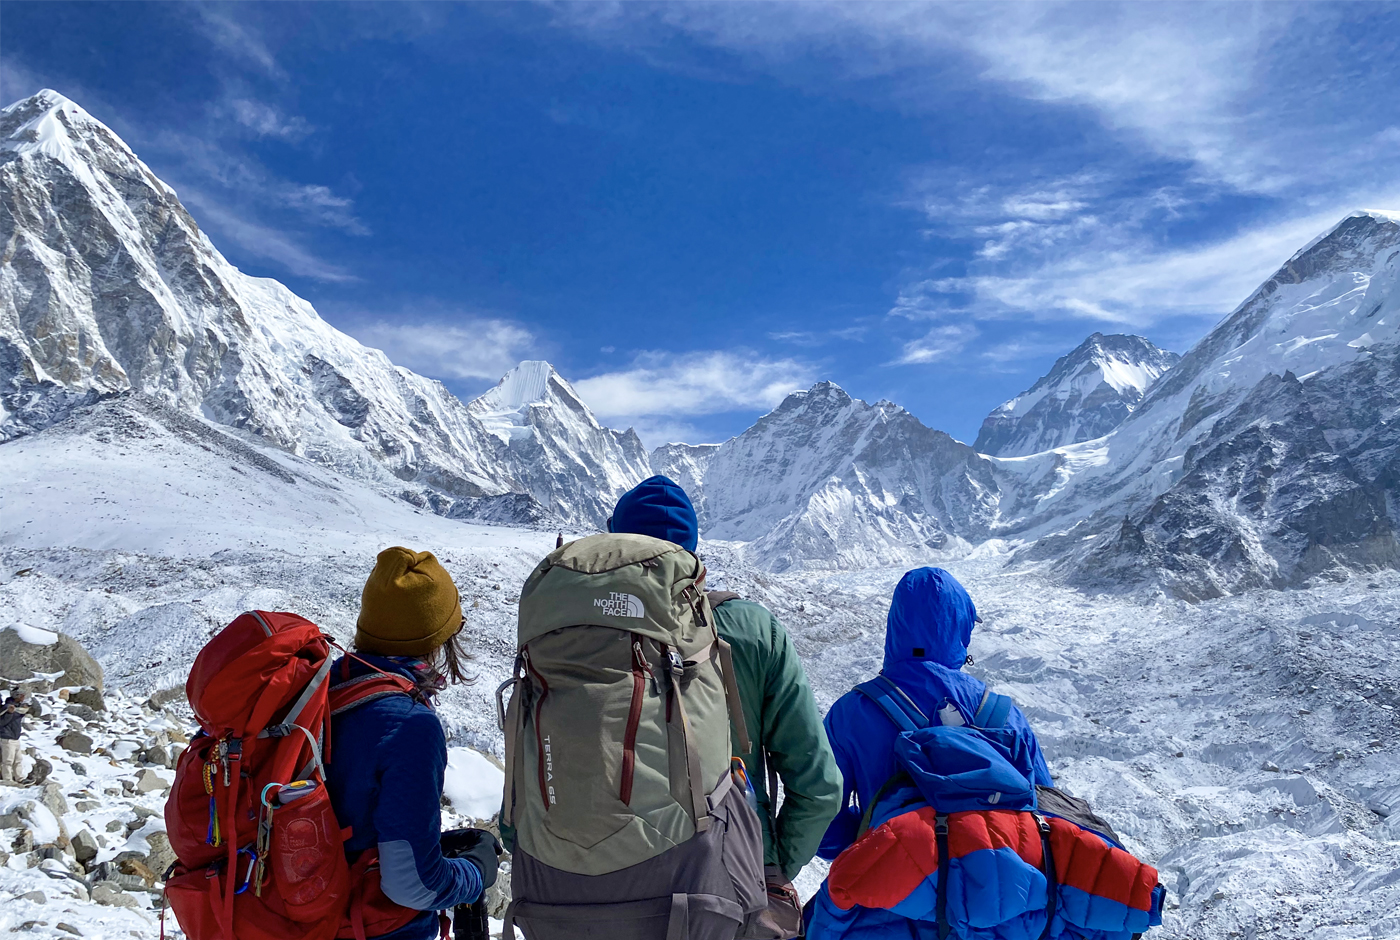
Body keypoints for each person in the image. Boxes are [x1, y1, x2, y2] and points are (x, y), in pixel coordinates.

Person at [608, 475, 843, 935]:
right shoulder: (751, 631)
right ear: (693, 553)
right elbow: (819, 788)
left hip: (589, 894)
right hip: (728, 889)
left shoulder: (568, 636)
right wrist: (769, 868)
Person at [817, 566, 1052, 861]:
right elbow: (1047, 814)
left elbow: (823, 821)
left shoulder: (850, 713)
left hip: (894, 894)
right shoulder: (1006, 715)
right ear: (961, 629)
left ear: (896, 625)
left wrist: (874, 839)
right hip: (1004, 896)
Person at [327, 546, 500, 940]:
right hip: (369, 927)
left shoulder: (325, 690)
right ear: (438, 637)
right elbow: (413, 886)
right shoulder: (409, 726)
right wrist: (475, 871)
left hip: (303, 916)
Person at [0, 691, 27, 784]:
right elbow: (1, 722)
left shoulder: (18, 707)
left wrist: (24, 711)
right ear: (16, 696)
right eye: (21, 695)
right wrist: (9, 713)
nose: (23, 697)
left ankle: (19, 778)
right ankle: (7, 780)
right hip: (7, 738)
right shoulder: (6, 707)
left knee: (18, 760)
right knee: (8, 761)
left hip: (16, 738)